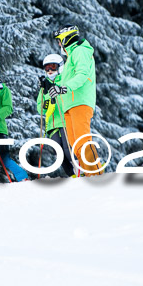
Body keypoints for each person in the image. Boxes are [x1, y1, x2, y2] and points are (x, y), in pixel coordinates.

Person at [51, 25, 103, 175]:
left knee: (82, 141)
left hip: (79, 102)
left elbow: (82, 75)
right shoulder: (71, 57)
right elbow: (65, 80)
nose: (59, 45)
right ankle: (90, 175)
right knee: (75, 145)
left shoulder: (80, 51)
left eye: (60, 41)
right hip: (69, 104)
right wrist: (55, 87)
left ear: (67, 38)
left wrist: (64, 88)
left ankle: (96, 175)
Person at [37, 54, 75, 177]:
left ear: (60, 67)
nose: (49, 71)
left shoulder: (64, 81)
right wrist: (46, 102)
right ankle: (72, 174)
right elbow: (40, 108)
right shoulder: (44, 86)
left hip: (65, 121)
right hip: (52, 124)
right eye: (47, 68)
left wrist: (57, 92)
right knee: (58, 151)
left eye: (53, 67)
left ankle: (79, 167)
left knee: (68, 151)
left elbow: (69, 98)